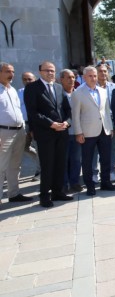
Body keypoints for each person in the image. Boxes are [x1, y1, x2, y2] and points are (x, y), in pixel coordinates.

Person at [23, 61, 73, 207]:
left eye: (52, 70)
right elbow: (33, 112)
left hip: (62, 132)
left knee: (60, 163)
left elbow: (67, 109)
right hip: (45, 133)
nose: (50, 73)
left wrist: (66, 122)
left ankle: (58, 192)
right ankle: (44, 196)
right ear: (40, 71)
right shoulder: (32, 88)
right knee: (47, 165)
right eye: (47, 71)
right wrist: (51, 124)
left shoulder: (58, 87)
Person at [72, 66, 115, 195]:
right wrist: (78, 132)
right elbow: (75, 115)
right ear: (84, 77)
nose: (93, 78)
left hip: (104, 130)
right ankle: (90, 186)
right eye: (90, 76)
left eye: (95, 76)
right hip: (87, 132)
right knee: (87, 160)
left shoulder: (102, 91)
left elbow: (106, 111)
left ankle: (106, 183)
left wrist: (110, 127)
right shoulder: (78, 93)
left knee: (106, 158)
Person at [0, 62, 31, 203]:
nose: (11, 74)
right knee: (1, 166)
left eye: (12, 71)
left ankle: (13, 194)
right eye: (7, 71)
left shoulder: (12, 90)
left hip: (19, 131)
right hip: (3, 133)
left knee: (15, 165)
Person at [59, 69, 82, 193]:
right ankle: (64, 184)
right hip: (63, 133)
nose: (71, 80)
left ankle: (75, 182)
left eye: (73, 77)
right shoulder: (58, 94)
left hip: (77, 132)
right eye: (68, 77)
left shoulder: (79, 93)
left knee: (76, 159)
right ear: (61, 79)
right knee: (64, 159)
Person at [96, 64, 115, 183]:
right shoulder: (91, 87)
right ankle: (94, 173)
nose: (103, 73)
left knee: (112, 147)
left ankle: (111, 170)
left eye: (105, 71)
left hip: (112, 122)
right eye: (100, 71)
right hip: (96, 123)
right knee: (96, 149)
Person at [17, 72, 40, 180]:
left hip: (35, 124)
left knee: (38, 147)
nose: (27, 81)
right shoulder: (19, 92)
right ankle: (39, 161)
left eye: (29, 79)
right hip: (23, 125)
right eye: (25, 79)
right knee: (24, 147)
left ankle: (40, 171)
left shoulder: (39, 92)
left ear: (34, 79)